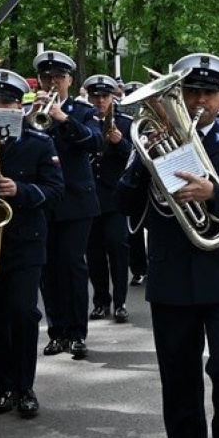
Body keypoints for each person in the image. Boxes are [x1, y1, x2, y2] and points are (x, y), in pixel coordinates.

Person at [116, 52, 219, 438]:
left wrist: (216, 193)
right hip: (172, 276)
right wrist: (143, 163)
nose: (197, 102)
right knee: (178, 380)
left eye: (208, 93)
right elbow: (124, 204)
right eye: (190, 92)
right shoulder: (150, 145)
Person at [0, 69, 64, 417]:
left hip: (26, 241)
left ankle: (25, 387)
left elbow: (56, 190)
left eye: (6, 102)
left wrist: (20, 190)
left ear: (19, 107)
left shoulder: (38, 142)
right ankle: (4, 387)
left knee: (23, 312)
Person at [35, 52, 104, 360]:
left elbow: (96, 142)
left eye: (58, 78)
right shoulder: (31, 111)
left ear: (69, 81)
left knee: (72, 265)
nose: (52, 83)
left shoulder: (83, 111)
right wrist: (31, 118)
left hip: (76, 200)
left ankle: (77, 333)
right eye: (47, 78)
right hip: (44, 200)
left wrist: (63, 119)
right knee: (47, 268)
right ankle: (57, 332)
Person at [86, 77, 135, 318]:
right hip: (90, 196)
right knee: (94, 252)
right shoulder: (83, 121)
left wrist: (121, 142)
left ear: (112, 98)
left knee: (118, 247)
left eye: (104, 96)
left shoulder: (125, 123)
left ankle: (120, 302)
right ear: (88, 97)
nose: (100, 101)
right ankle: (101, 301)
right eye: (95, 96)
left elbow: (135, 157)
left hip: (114, 197)